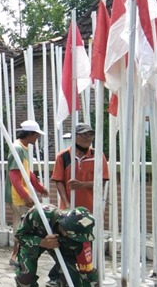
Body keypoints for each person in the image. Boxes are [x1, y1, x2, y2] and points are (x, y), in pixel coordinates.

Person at [46, 122, 109, 286]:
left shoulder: (97, 155)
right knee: (67, 245)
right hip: (69, 212)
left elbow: (102, 181)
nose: (88, 138)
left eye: (90, 134)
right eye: (83, 134)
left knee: (87, 244)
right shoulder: (63, 156)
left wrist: (82, 185)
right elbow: (58, 181)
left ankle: (86, 274)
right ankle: (58, 276)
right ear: (75, 136)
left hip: (90, 209)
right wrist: (66, 204)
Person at [15, 205, 98, 287]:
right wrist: (41, 242)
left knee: (70, 277)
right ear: (65, 229)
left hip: (60, 246)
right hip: (33, 241)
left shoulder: (82, 239)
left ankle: (56, 280)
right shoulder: (38, 214)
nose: (76, 240)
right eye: (73, 236)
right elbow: (20, 236)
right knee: (26, 277)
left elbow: (87, 270)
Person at [5, 120, 49, 267]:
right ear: (30, 134)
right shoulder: (17, 148)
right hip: (17, 197)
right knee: (22, 227)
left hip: (21, 195)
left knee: (22, 225)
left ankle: (18, 256)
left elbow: (27, 171)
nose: (37, 139)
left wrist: (39, 187)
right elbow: (14, 176)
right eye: (36, 135)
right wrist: (26, 196)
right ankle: (16, 256)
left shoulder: (23, 148)